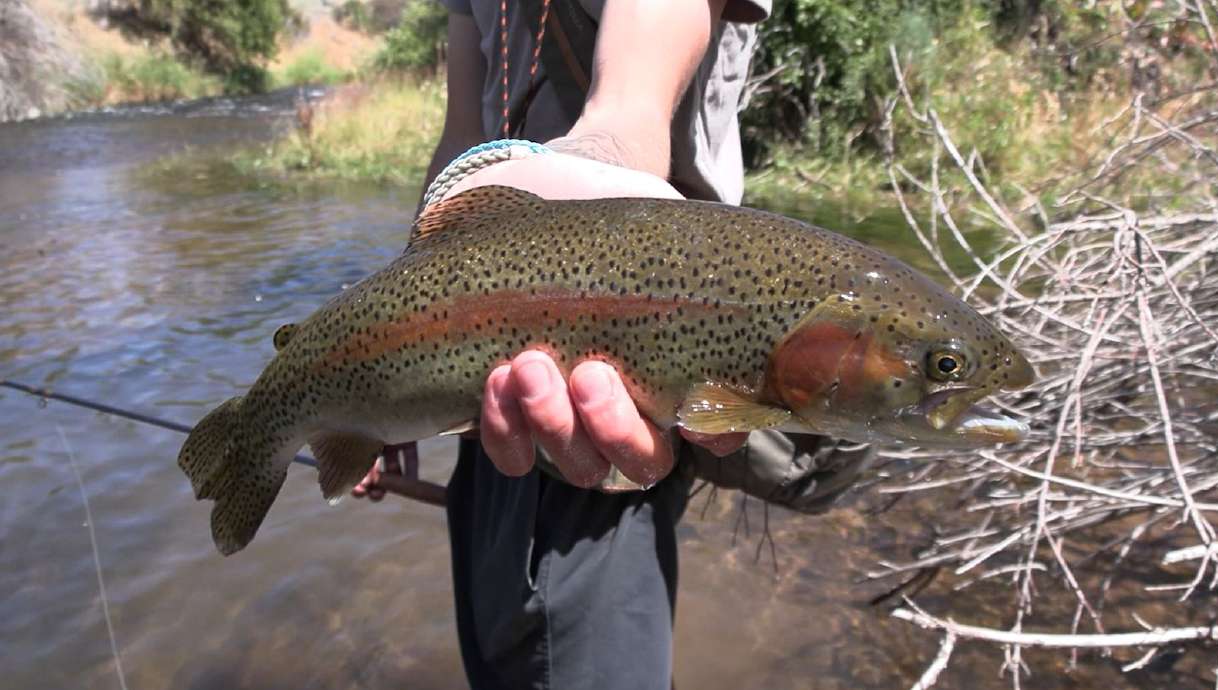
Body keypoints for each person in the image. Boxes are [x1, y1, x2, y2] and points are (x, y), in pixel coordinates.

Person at [353, 1, 875, 687]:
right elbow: (459, 149)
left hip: (621, 401)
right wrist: (380, 367)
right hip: (478, 395)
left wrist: (606, 156)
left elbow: (642, 64)